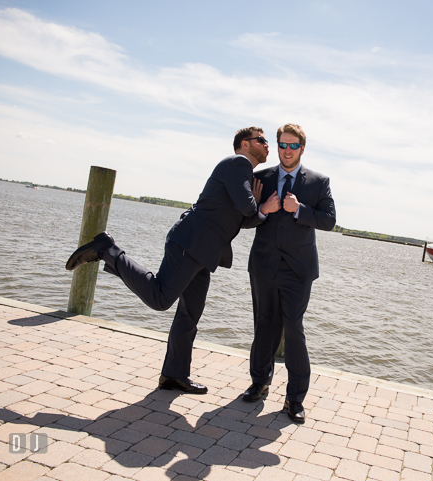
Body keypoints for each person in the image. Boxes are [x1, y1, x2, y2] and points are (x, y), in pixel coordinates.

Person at [65, 127, 270, 394]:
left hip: (204, 253)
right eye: (262, 141)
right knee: (160, 299)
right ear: (244, 144)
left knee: (188, 316)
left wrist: (259, 209)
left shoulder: (242, 172)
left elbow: (244, 219)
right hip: (190, 243)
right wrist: (259, 205)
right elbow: (248, 208)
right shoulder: (237, 164)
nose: (267, 146)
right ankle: (108, 250)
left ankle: (174, 375)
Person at [240, 123, 336, 423]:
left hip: (298, 269)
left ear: (302, 149)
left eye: (293, 146)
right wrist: (262, 210)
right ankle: (260, 382)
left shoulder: (319, 182)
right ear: (278, 146)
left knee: (293, 329)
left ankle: (295, 399)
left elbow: (330, 220)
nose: (287, 150)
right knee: (264, 324)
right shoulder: (260, 178)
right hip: (264, 265)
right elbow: (242, 219)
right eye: (282, 145)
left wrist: (299, 209)